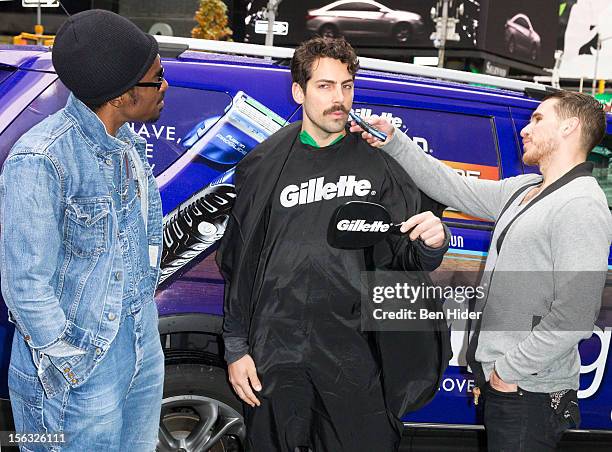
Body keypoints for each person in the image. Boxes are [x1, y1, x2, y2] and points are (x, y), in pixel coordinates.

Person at [216, 37, 451, 452]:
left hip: (353, 352)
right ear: (298, 91)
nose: (338, 98)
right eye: (325, 86)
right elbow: (239, 262)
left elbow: (405, 254)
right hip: (275, 348)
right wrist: (236, 349)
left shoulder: (379, 163)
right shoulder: (263, 164)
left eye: (346, 85)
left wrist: (432, 242)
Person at [352, 90, 612, 451]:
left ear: (569, 127)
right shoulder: (526, 190)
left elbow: (575, 316)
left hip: (530, 391)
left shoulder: (581, 204)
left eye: (538, 119)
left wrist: (507, 371)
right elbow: (455, 187)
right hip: (509, 386)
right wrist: (396, 142)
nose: (525, 128)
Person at [0, 10, 167, 451]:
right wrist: (71, 361)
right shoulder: (41, 158)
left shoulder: (127, 144)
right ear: (120, 95)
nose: (165, 86)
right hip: (77, 365)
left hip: (139, 347)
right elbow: (25, 285)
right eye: (156, 78)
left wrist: (145, 341)